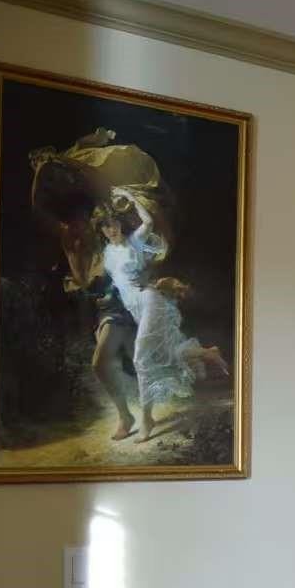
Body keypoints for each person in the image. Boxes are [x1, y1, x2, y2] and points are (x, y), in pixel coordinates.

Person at [96, 187, 228, 442]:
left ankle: (146, 420)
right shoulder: (108, 253)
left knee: (140, 359)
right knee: (163, 354)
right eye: (106, 227)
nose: (112, 230)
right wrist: (108, 298)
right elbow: (118, 283)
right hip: (135, 308)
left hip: (150, 302)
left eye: (114, 225)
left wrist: (131, 197)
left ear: (121, 225)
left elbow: (148, 221)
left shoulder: (134, 241)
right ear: (102, 231)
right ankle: (207, 353)